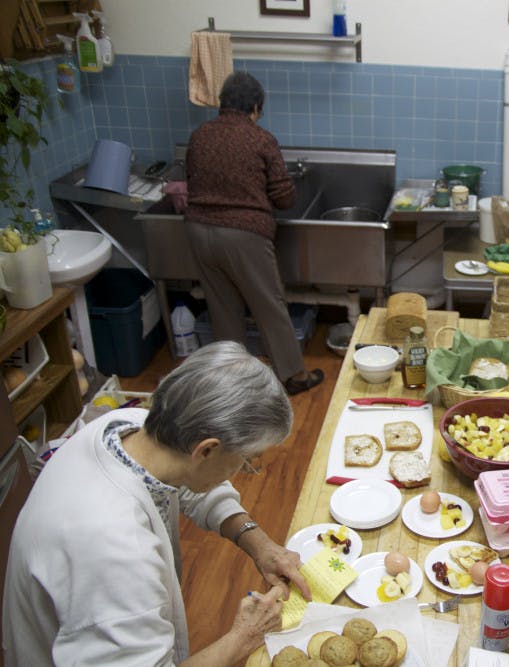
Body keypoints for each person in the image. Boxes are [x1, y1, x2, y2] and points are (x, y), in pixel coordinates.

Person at [3, 341, 313, 665]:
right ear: (206, 450)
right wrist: (243, 637)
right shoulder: (115, 550)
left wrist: (260, 544)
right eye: (248, 461)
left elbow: (192, 484)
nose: (246, 469)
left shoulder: (137, 427)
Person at [184, 71, 323, 396]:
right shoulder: (260, 139)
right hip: (242, 235)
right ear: (256, 107)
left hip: (198, 229)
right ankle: (293, 376)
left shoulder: (200, 135)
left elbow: (192, 178)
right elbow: (285, 198)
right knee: (268, 305)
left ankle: (233, 383)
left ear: (223, 104)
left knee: (222, 309)